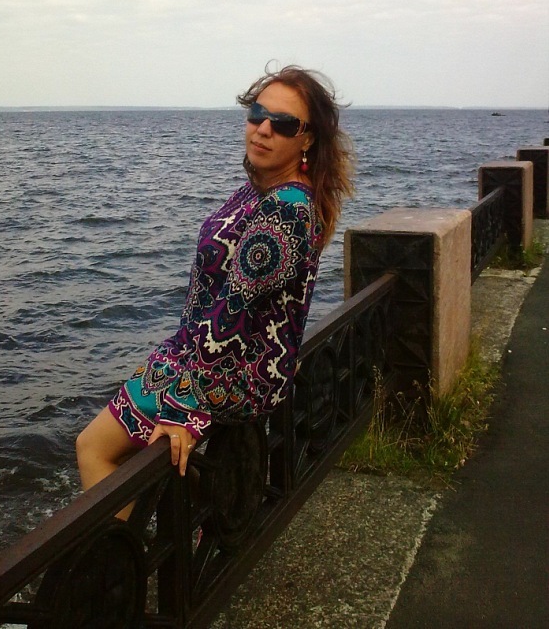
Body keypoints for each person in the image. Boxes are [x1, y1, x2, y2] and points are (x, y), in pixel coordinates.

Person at [76, 65, 354, 512]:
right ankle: (170, 529)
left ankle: (122, 555)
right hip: (206, 355)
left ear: (307, 139)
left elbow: (232, 314)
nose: (264, 129)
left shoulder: (285, 209)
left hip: (232, 373)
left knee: (94, 447)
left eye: (284, 124)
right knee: (135, 457)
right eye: (258, 114)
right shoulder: (261, 189)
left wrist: (182, 407)